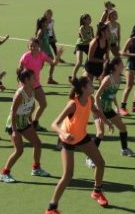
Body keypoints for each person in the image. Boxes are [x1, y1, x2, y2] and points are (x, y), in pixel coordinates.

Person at [46, 76, 109, 214]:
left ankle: (97, 192)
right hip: (67, 139)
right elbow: (54, 124)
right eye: (91, 84)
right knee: (68, 175)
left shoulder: (90, 99)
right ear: (84, 88)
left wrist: (107, 121)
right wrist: (64, 133)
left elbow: (95, 110)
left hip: (82, 136)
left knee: (100, 163)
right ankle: (51, 208)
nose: (93, 86)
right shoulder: (72, 104)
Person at [0, 69, 50, 183]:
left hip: (25, 122)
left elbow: (31, 106)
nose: (36, 79)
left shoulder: (32, 90)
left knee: (37, 143)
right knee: (19, 151)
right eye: (33, 78)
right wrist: (15, 131)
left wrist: (30, 119)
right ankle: (4, 173)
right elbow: (13, 113)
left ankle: (36, 169)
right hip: (14, 124)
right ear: (26, 80)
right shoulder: (19, 94)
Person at [93, 58, 135, 162]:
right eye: (121, 64)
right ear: (116, 66)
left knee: (122, 128)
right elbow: (97, 96)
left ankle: (124, 149)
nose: (123, 65)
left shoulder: (119, 78)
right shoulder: (108, 78)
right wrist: (100, 114)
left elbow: (113, 94)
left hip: (108, 108)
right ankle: (90, 158)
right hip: (99, 108)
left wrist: (116, 106)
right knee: (100, 133)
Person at [18, 37, 61, 132]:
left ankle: (34, 123)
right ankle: (26, 124)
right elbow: (19, 70)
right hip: (26, 85)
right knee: (30, 107)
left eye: (35, 46)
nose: (33, 48)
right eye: (31, 46)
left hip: (36, 84)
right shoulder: (26, 56)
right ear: (28, 47)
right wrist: (20, 84)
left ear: (38, 46)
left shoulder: (42, 55)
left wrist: (58, 55)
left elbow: (53, 63)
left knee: (43, 104)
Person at [35, 17, 58, 85]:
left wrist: (52, 40)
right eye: (46, 22)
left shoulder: (47, 30)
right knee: (39, 67)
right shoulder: (40, 31)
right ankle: (33, 79)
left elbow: (48, 39)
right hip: (42, 52)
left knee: (52, 64)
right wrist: (39, 51)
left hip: (48, 50)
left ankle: (50, 79)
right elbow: (37, 41)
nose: (48, 23)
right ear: (42, 23)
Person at [72, 14, 94, 79]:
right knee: (79, 62)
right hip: (80, 45)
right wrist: (93, 39)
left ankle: (86, 69)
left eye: (90, 18)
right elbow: (84, 38)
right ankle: (73, 76)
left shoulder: (91, 28)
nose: (90, 20)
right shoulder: (81, 28)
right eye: (89, 19)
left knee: (92, 58)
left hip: (87, 45)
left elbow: (93, 37)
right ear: (84, 20)